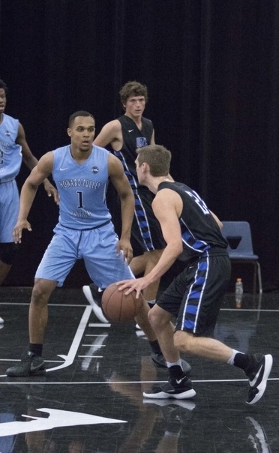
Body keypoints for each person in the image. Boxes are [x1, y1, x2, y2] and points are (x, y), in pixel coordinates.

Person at [4, 111, 190, 377]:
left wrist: (125, 236)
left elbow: (127, 195)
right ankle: (34, 357)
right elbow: (31, 184)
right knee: (39, 291)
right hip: (66, 233)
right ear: (70, 132)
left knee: (135, 299)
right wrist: (21, 218)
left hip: (100, 234)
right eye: (80, 129)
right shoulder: (54, 158)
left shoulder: (108, 161)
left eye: (91, 129)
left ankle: (161, 353)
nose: (87, 134)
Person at [117, 145, 273, 405]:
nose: (135, 168)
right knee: (156, 316)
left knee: (184, 340)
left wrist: (146, 278)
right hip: (203, 261)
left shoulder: (161, 198)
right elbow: (217, 223)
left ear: (144, 167)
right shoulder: (183, 189)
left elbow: (174, 246)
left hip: (206, 262)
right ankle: (178, 382)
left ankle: (251, 364)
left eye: (136, 164)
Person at [0, 76, 58, 324]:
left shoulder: (14, 126)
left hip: (8, 189)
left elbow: (30, 159)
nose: (1, 100)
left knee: (11, 247)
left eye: (4, 96)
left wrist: (45, 182)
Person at [83, 81, 166, 314]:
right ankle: (149, 309)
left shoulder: (148, 125)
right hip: (132, 194)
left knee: (154, 253)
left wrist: (169, 185)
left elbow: (155, 161)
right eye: (133, 101)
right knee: (158, 253)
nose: (138, 104)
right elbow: (91, 152)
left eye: (141, 100)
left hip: (149, 192)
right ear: (124, 104)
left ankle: (102, 286)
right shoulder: (115, 126)